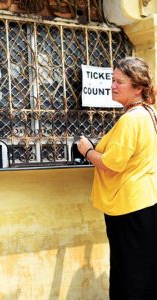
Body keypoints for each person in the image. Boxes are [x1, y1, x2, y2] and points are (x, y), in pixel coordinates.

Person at [77, 57, 157, 300]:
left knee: (129, 273)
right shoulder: (149, 113)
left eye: (119, 82)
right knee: (145, 271)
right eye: (112, 80)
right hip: (145, 201)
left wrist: (88, 150)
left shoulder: (131, 119)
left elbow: (112, 165)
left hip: (127, 205)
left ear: (138, 87)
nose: (112, 85)